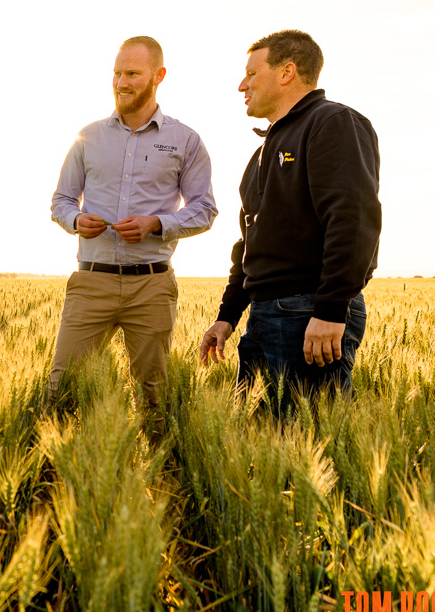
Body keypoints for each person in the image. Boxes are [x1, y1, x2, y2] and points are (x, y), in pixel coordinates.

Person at [199, 30, 381, 411]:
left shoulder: (333, 122)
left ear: (287, 72)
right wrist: (227, 317)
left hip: (308, 312)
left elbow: (353, 219)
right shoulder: (263, 152)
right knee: (260, 436)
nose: (242, 85)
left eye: (252, 73)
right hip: (264, 315)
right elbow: (248, 244)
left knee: (311, 435)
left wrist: (330, 310)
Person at [50, 36, 217, 416]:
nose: (121, 83)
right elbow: (61, 201)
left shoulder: (185, 141)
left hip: (151, 286)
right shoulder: (88, 137)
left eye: (132, 74)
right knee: (63, 387)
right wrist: (76, 220)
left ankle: (156, 457)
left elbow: (205, 209)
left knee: (154, 396)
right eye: (116, 73)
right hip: (91, 283)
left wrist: (156, 224)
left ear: (158, 76)